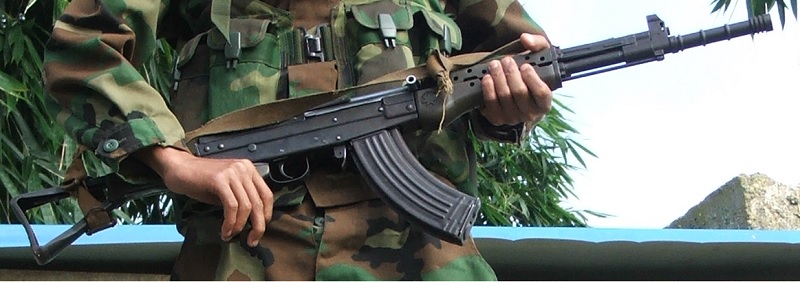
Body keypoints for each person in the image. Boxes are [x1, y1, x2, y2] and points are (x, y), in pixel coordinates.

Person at [43, 0, 552, 280]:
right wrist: (172, 160)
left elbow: (519, 62)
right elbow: (84, 45)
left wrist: (513, 108)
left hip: (422, 255)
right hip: (240, 247)